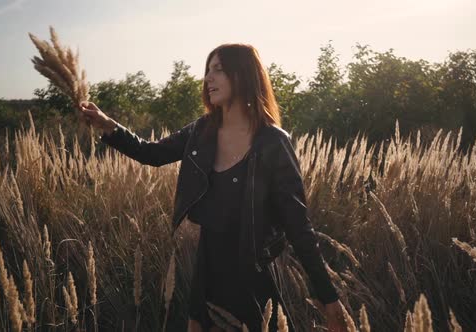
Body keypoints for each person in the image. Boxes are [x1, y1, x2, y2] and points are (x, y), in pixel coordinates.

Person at [79, 43, 346, 332]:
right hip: (207, 269)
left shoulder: (272, 142)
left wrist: (328, 296)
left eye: (218, 70)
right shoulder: (201, 131)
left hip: (253, 274)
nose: (208, 78)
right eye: (208, 70)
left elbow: (298, 225)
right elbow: (152, 154)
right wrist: (107, 125)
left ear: (243, 75)